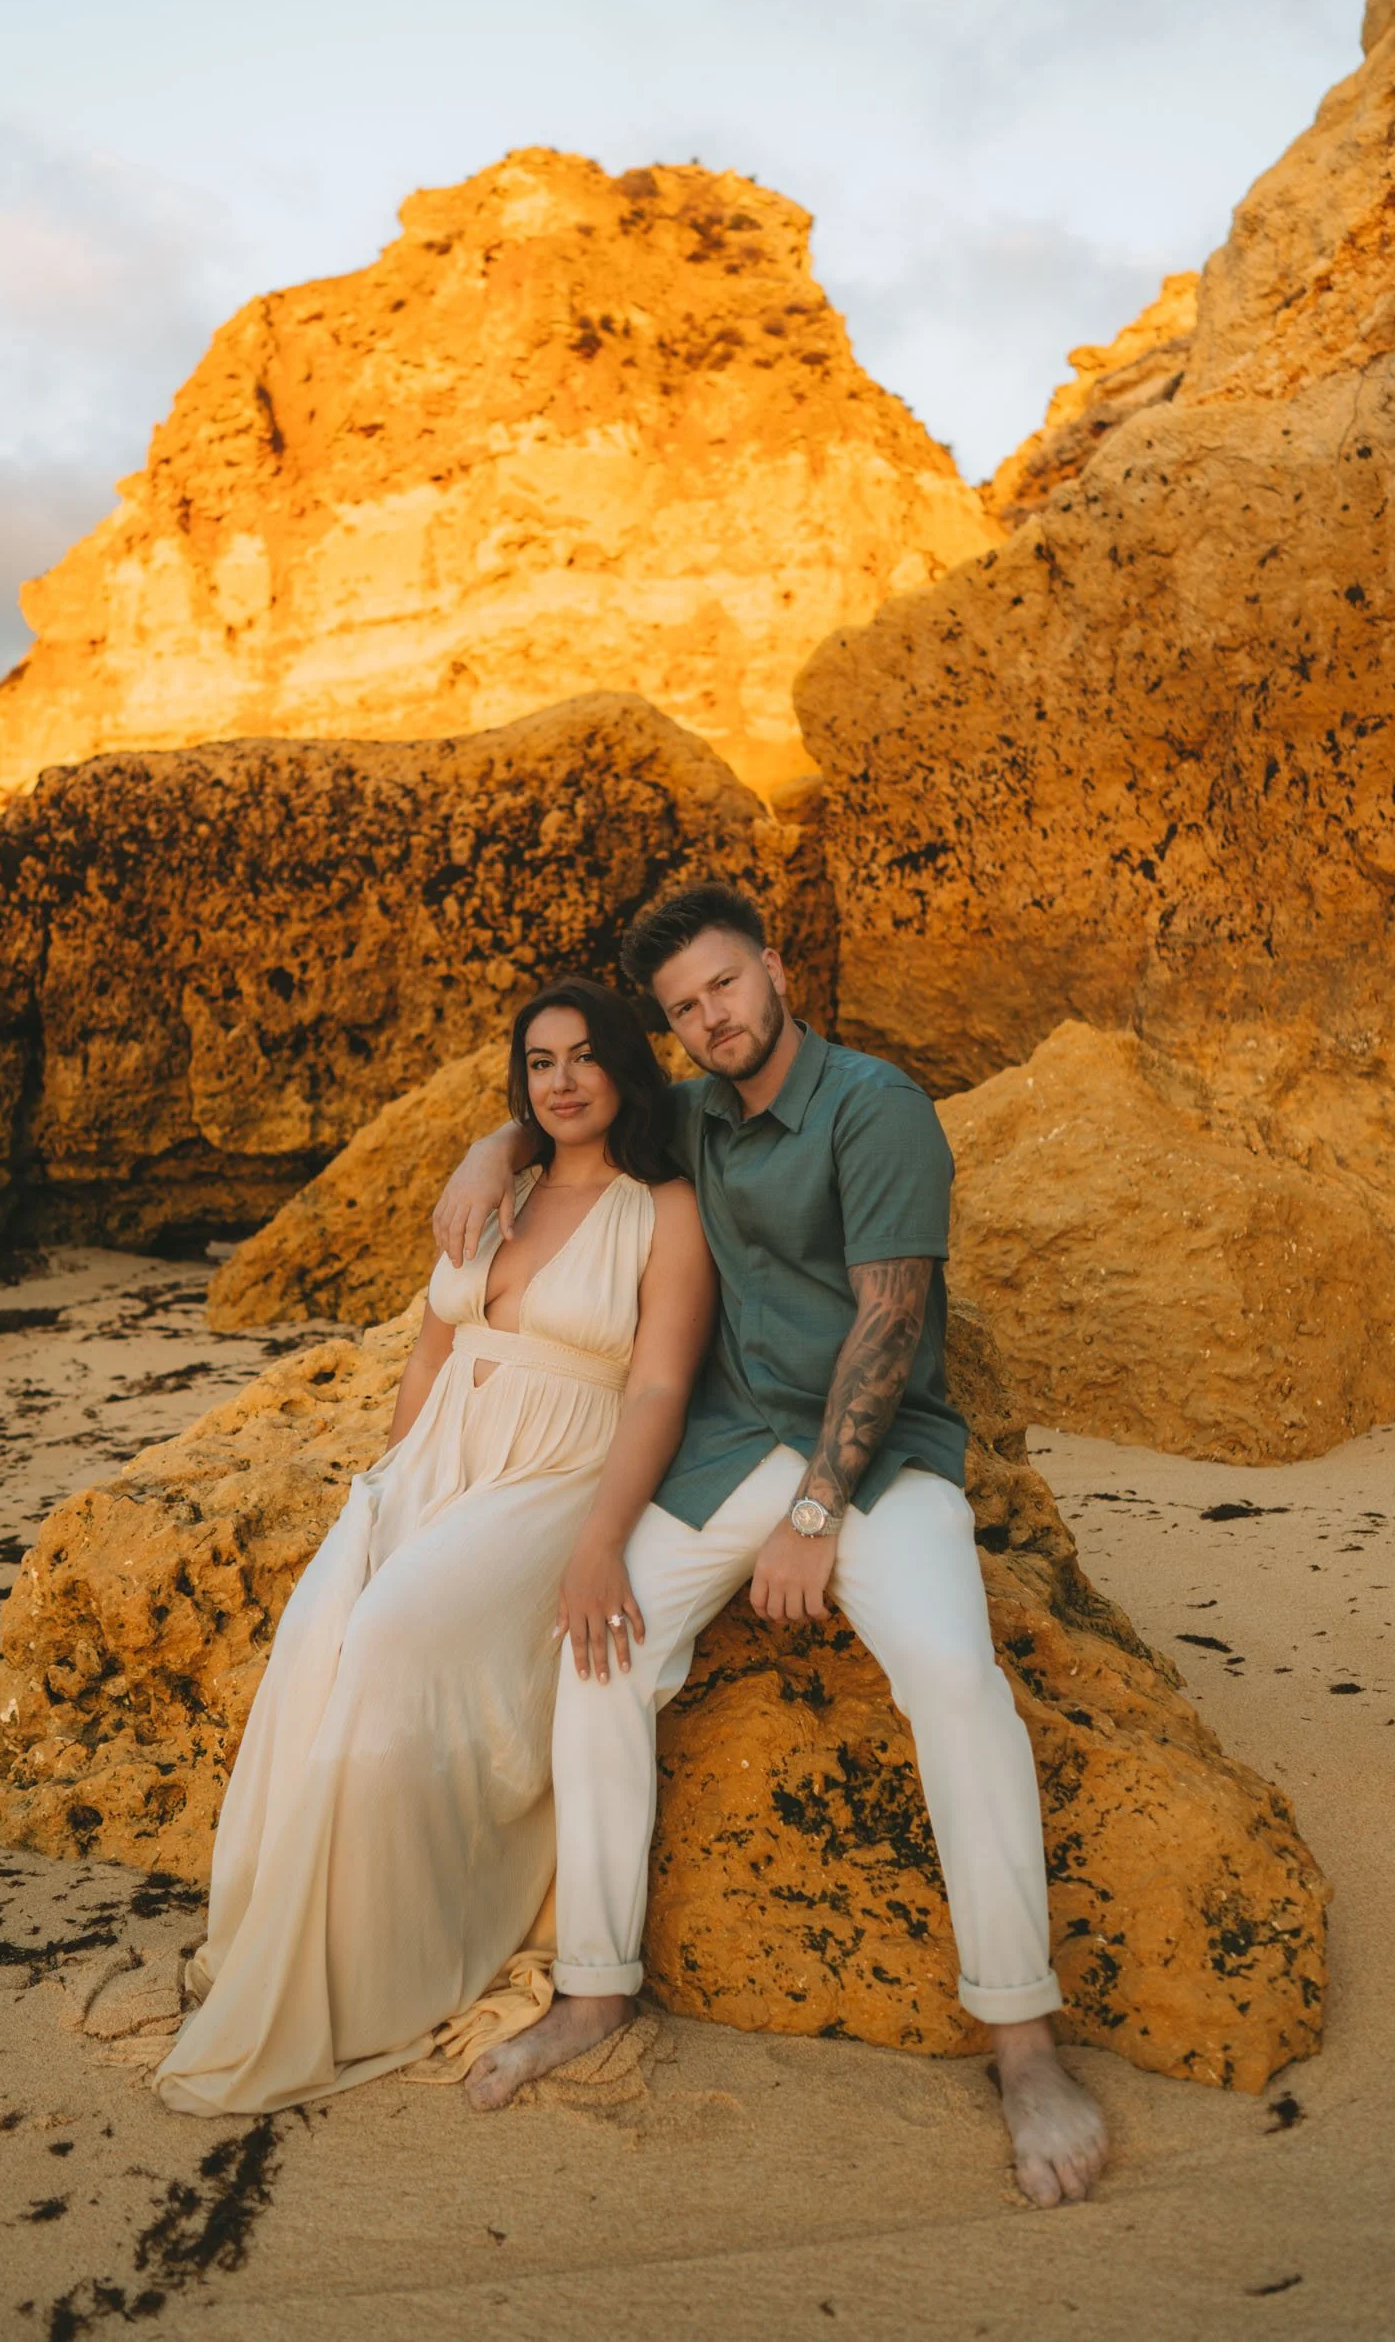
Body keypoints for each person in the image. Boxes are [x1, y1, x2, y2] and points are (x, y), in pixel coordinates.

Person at [435, 885, 1110, 2207]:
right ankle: (592, 1989)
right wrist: (491, 1146)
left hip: (871, 1461)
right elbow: (575, 1103)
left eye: (723, 989)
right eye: (684, 1010)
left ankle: (1022, 2044)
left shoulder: (878, 1109)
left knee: (955, 1681)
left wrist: (812, 1516)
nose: (709, 1021)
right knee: (597, 1659)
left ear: (773, 969)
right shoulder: (689, 1111)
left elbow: (888, 1324)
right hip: (724, 1448)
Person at [154, 978, 715, 2116]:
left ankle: (376, 1971)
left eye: (583, 1057)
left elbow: (659, 1382)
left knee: (399, 1636)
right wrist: (387, 1482)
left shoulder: (663, 1210)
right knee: (321, 1629)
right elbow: (425, 1355)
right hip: (432, 1465)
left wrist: (602, 1538)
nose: (561, 1082)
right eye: (539, 1064)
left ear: (623, 1068)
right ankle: (292, 1930)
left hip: (557, 1475)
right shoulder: (492, 1190)